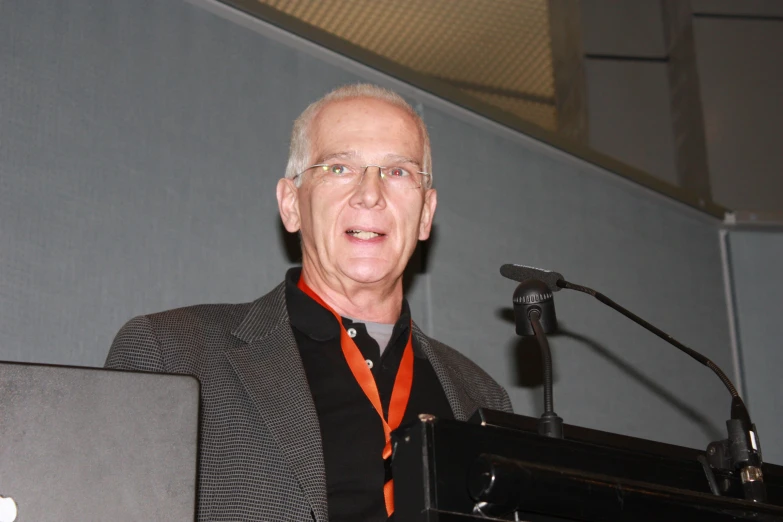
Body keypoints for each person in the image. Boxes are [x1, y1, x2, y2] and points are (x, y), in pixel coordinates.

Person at [106, 83, 512, 522]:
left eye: (398, 172)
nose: (371, 194)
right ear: (291, 205)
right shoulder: (172, 354)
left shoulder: (482, 397)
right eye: (339, 168)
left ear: (426, 215)